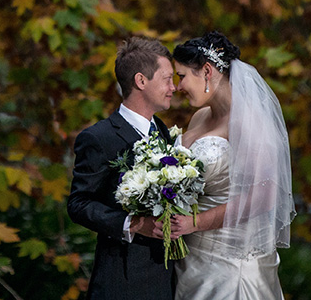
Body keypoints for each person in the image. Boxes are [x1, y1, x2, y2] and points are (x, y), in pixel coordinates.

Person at [167, 31, 295, 300]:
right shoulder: (200, 116)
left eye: (181, 76)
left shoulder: (251, 123)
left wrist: (196, 222)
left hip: (231, 263)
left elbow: (263, 197)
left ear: (206, 70)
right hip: (192, 258)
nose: (178, 87)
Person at [67, 37, 178, 300]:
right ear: (141, 81)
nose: (174, 87)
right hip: (123, 280)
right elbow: (78, 203)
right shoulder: (98, 137)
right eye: (167, 79)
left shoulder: (164, 132)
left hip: (167, 279)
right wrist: (133, 224)